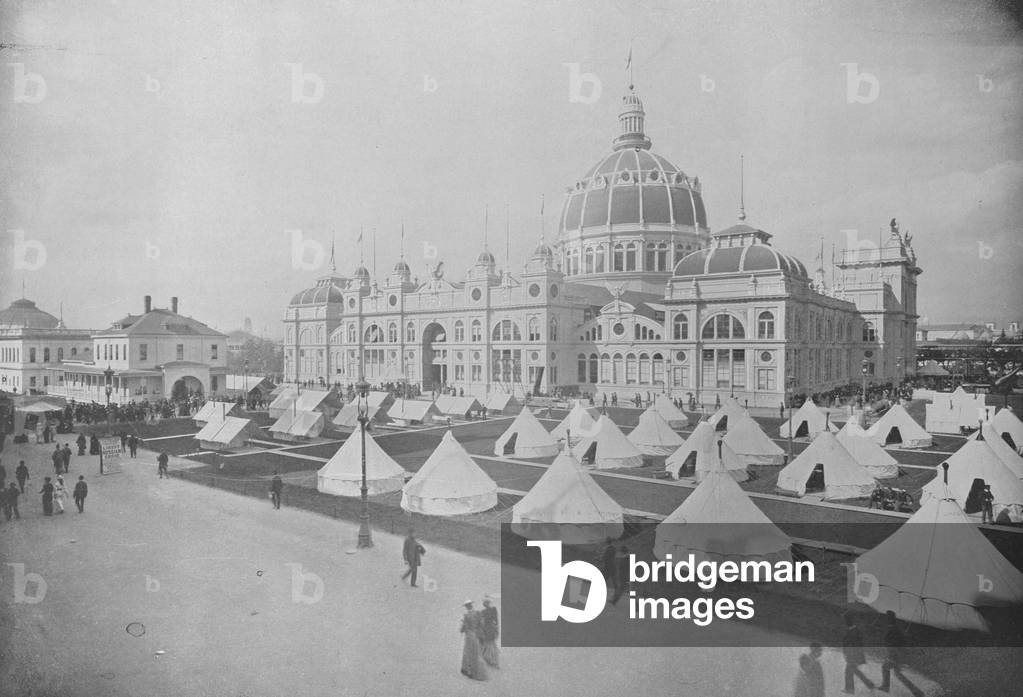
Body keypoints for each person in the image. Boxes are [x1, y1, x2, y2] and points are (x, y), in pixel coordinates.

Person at [842, 612, 875, 693]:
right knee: (854, 671)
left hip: (853, 655)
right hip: (853, 655)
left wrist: (849, 655)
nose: (845, 623)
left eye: (845, 621)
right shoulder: (854, 630)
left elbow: (855, 645)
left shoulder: (854, 632)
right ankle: (869, 684)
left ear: (848, 621)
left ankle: (850, 689)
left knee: (849, 671)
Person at [459, 601, 488, 681]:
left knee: (468, 653)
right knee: (476, 653)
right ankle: (480, 671)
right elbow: (482, 624)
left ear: (466, 607)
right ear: (472, 605)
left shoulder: (466, 616)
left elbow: (462, 629)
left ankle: (469, 671)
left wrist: (462, 624)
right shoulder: (478, 613)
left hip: (469, 636)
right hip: (476, 635)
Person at [479, 596, 500, 669]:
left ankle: (489, 659)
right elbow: (496, 621)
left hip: (486, 629)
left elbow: (482, 623)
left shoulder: (483, 612)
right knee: (492, 644)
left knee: (488, 644)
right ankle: (493, 659)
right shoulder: (494, 609)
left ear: (484, 604)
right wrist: (496, 629)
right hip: (492, 629)